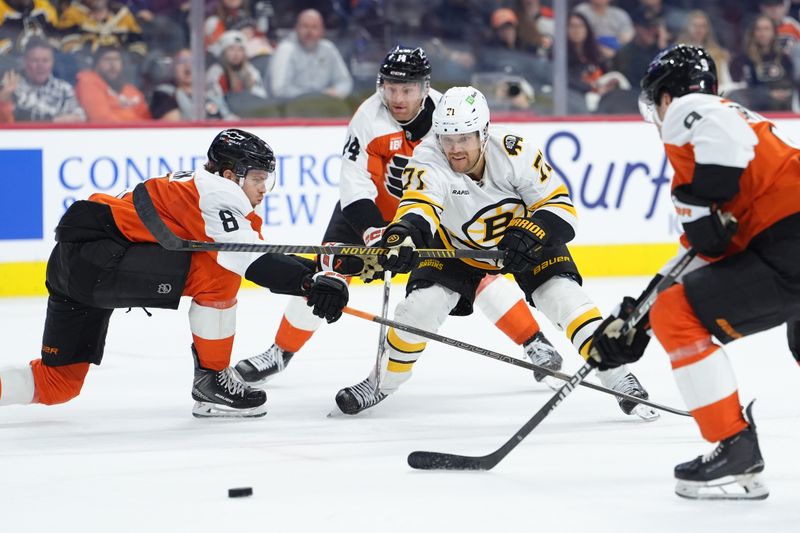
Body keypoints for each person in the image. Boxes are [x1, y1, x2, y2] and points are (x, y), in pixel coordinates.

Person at [235, 47, 566, 396]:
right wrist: (376, 232)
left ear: (424, 89)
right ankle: (280, 352)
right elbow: (354, 186)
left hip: (432, 214)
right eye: (391, 87)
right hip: (370, 214)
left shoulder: (449, 115)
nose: (397, 97)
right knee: (325, 275)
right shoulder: (367, 118)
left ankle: (534, 342)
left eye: (406, 89)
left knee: (473, 269)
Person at [333, 86, 657, 419]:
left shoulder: (515, 152)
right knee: (418, 309)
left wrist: (531, 233)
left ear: (484, 133)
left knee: (565, 299)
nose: (455, 149)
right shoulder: (428, 158)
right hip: (455, 246)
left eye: (464, 138)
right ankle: (382, 382)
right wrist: (401, 237)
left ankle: (619, 378)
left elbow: (561, 209)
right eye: (448, 138)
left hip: (524, 240)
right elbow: (419, 208)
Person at [0, 129, 350, 418]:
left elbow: (253, 250)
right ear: (231, 175)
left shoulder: (201, 187)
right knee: (218, 269)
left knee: (56, 384)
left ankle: (210, 381)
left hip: (77, 261)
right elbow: (243, 257)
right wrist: (309, 281)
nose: (263, 188)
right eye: (258, 178)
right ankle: (212, 382)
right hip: (97, 261)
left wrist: (314, 274)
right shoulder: (216, 196)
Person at [590, 44, 800, 500]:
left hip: (791, 243)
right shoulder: (744, 138)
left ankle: (734, 447)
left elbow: (719, 144)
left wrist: (704, 196)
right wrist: (634, 321)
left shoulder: (694, 109)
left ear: (666, 97)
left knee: (677, 314)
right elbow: (699, 254)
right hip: (786, 242)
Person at [269, 8, 353, 100]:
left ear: (322, 31)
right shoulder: (286, 49)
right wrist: (313, 97)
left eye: (314, 27)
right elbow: (279, 90)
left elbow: (345, 82)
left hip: (322, 106)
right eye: (305, 26)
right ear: (296, 28)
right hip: (289, 109)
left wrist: (336, 92)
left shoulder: (328, 49)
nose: (309, 32)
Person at [0, 37, 85, 123]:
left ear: (52, 62)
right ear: (25, 62)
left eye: (45, 61)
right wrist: (4, 97)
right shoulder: (12, 86)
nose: (40, 66)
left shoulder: (64, 89)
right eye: (35, 60)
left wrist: (52, 121)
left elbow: (79, 118)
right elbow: (9, 121)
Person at [75, 44, 151, 122]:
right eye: (107, 59)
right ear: (96, 65)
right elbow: (101, 119)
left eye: (116, 59)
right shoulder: (88, 82)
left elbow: (147, 120)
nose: (112, 64)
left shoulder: (131, 91)